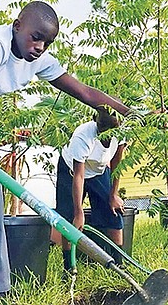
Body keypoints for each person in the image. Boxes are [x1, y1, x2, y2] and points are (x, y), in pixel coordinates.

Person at [0, 1, 130, 305]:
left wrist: (135, 114)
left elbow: (85, 93)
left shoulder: (38, 59)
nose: (40, 46)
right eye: (35, 37)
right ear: (17, 26)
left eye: (47, 42)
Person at [55, 107, 127, 273]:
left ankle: (119, 266)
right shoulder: (83, 136)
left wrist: (113, 194)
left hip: (98, 171)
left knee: (113, 213)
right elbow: (78, 177)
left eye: (110, 134)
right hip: (71, 171)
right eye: (103, 132)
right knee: (69, 218)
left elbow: (117, 164)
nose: (106, 138)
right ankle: (69, 267)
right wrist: (79, 212)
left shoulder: (122, 133)